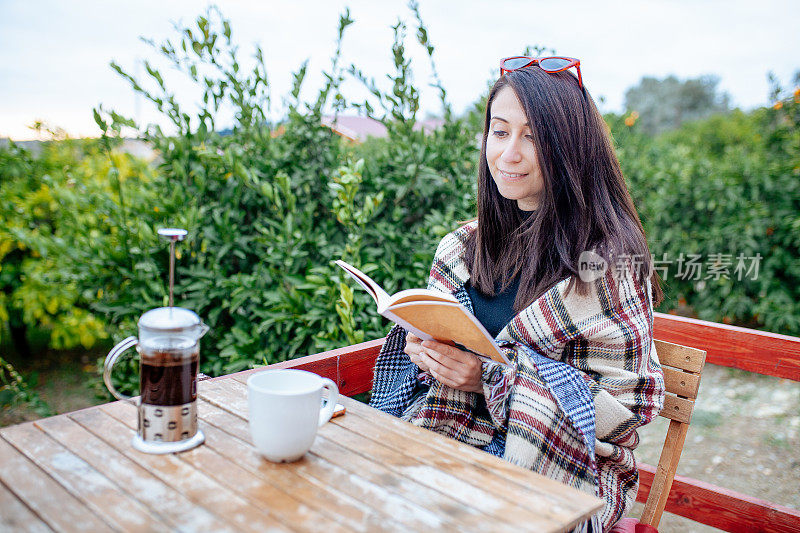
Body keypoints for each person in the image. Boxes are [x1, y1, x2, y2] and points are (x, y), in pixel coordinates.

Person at [369, 56, 665, 532]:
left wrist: (486, 377)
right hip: (452, 439)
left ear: (570, 148)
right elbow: (437, 348)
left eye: (533, 137)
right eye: (500, 132)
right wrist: (426, 352)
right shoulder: (464, 247)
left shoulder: (606, 265)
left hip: (568, 471)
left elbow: (623, 413)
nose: (508, 153)